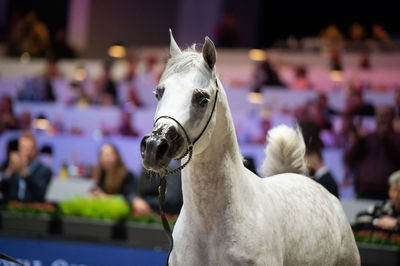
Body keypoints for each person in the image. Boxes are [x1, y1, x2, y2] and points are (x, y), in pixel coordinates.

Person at [345, 106, 400, 199]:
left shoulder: (397, 138)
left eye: (385, 115)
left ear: (392, 118)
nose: (382, 118)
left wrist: (386, 139)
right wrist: (359, 140)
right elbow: (349, 158)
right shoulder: (368, 137)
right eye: (379, 115)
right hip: (364, 189)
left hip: (388, 192)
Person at [91, 143, 152, 215]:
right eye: (102, 155)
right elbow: (96, 191)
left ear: (116, 156)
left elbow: (129, 197)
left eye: (108, 155)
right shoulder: (101, 175)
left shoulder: (127, 175)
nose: (106, 158)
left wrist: (105, 197)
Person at [0, 133, 52, 202]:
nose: (26, 151)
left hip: (31, 209)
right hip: (11, 208)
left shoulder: (44, 170)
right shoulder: (12, 166)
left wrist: (26, 174)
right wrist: (10, 171)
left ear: (36, 150)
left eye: (29, 148)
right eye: (23, 147)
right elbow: (3, 190)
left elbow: (40, 194)